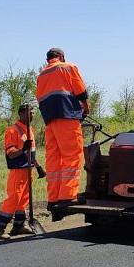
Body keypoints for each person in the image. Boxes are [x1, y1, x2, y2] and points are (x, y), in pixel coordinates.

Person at [36, 47, 89, 209]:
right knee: (72, 155)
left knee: (54, 158)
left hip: (50, 121)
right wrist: (86, 107)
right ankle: (67, 196)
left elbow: (40, 99)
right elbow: (80, 91)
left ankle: (53, 197)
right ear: (60, 56)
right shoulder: (68, 67)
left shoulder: (41, 75)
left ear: (48, 59)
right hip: (67, 117)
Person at [0, 104, 46, 238]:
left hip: (28, 170)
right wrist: (22, 149)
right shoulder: (12, 131)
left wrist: (38, 167)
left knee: (23, 200)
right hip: (17, 171)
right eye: (29, 113)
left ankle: (19, 226)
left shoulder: (30, 130)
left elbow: (31, 153)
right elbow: (11, 153)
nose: (32, 115)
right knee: (14, 198)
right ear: (20, 113)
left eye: (33, 113)